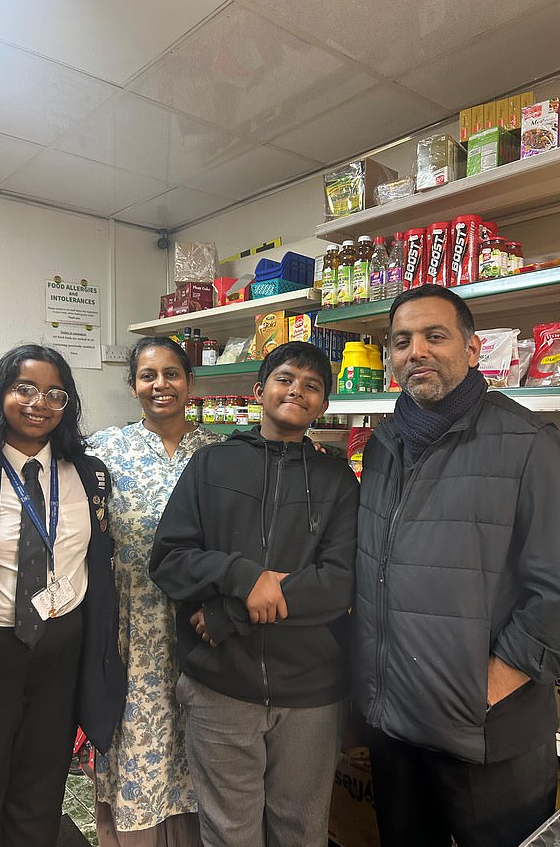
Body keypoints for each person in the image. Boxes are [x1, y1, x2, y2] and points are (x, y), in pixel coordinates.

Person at [354, 284, 560, 847]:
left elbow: (558, 591)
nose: (415, 351)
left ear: (472, 349)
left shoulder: (527, 441)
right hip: (394, 722)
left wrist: (487, 687)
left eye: (434, 336)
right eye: (401, 341)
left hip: (487, 736)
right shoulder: (382, 444)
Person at [150, 340, 359, 847]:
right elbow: (169, 559)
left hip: (310, 693)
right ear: (259, 390)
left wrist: (231, 615)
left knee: (301, 830)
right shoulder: (211, 467)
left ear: (323, 406)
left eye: (313, 386)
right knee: (228, 832)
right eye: (286, 379)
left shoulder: (338, 480)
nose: (298, 391)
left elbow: (340, 582)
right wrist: (245, 577)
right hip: (220, 688)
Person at [0, 344, 126, 847]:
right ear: (1, 394)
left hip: (61, 655)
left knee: (40, 799)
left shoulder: (88, 474)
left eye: (55, 394)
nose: (40, 402)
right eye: (25, 389)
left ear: (68, 405)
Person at [87, 336, 224, 847]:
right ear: (133, 386)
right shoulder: (104, 450)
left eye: (172, 374)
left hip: (201, 625)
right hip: (130, 625)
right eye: (148, 376)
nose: (160, 385)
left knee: (196, 740)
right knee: (136, 739)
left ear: (190, 383)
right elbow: (41, 457)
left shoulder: (220, 454)